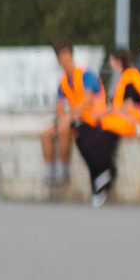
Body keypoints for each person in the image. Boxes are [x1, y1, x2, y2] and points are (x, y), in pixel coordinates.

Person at [73, 47, 140, 206]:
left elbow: (130, 105)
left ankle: (105, 172)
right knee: (85, 136)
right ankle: (101, 173)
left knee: (102, 133)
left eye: (112, 60)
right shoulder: (124, 77)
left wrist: (107, 112)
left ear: (116, 61)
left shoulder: (130, 77)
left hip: (130, 121)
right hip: (119, 119)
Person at [42, 41, 86, 191]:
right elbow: (59, 105)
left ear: (71, 55)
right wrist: (62, 118)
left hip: (86, 118)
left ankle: (63, 169)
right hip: (71, 118)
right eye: (59, 55)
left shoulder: (84, 75)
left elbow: (89, 101)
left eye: (65, 54)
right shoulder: (63, 82)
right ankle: (49, 172)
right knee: (46, 133)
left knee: (63, 129)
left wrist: (68, 117)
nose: (62, 59)